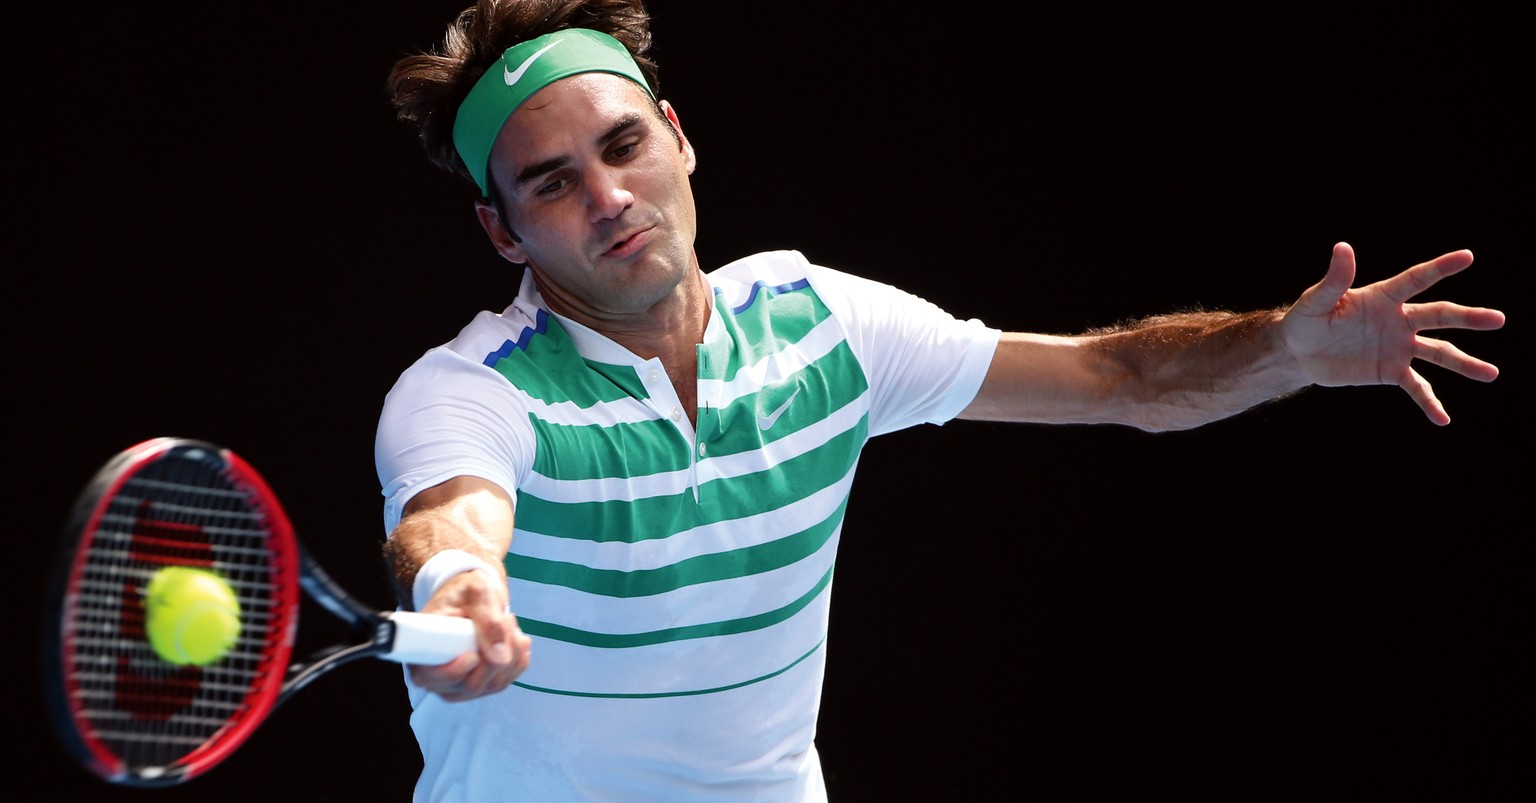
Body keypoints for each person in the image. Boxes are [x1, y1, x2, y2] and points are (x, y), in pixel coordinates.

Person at [372, 1, 1506, 799]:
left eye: (624, 146)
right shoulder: (471, 390)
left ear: (678, 137)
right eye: (553, 182)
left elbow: (1118, 378)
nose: (612, 197)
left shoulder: (820, 323)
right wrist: (461, 582)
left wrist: (1287, 347)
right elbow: (451, 512)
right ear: (501, 227)